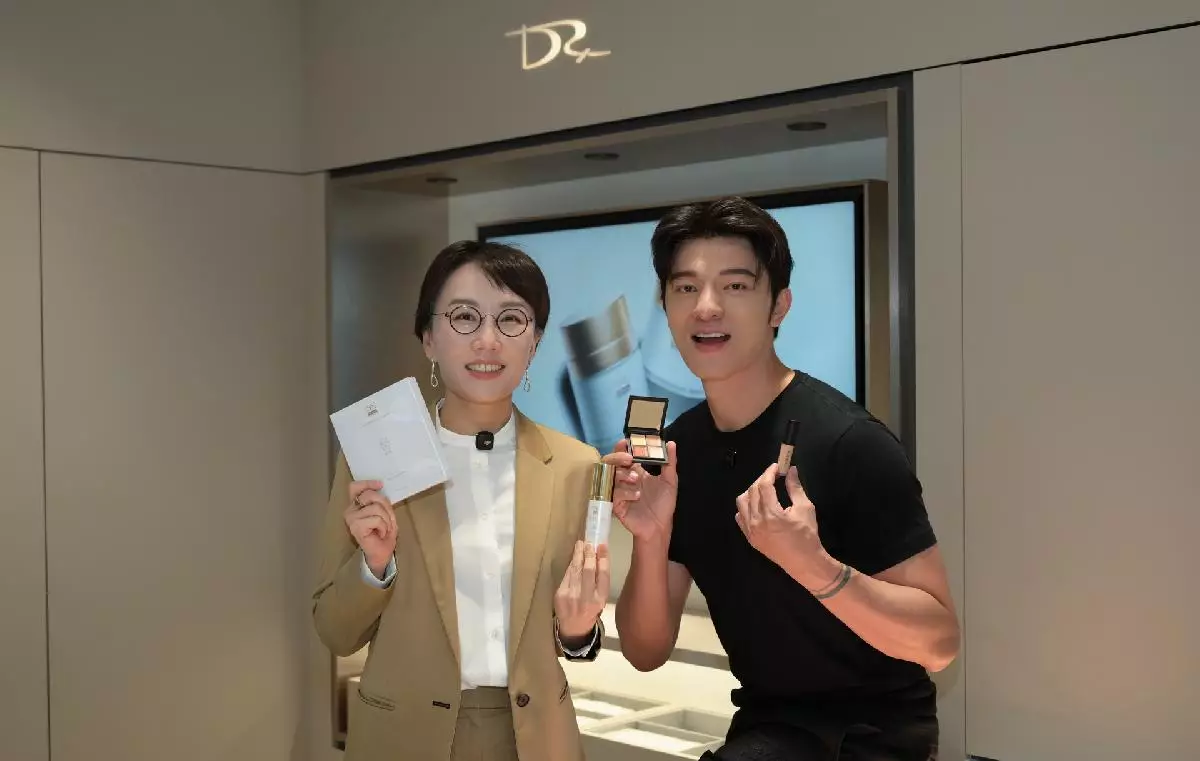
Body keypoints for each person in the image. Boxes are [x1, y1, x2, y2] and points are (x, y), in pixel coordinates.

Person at [609, 197, 960, 760]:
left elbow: (938, 644)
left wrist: (812, 565)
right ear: (666, 306)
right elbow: (645, 652)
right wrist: (651, 539)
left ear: (779, 305)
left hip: (874, 736)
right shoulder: (679, 452)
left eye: (735, 286)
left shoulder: (851, 443)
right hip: (766, 727)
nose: (707, 307)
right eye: (686, 288)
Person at [312, 240, 613, 761]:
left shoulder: (577, 465)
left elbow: (575, 639)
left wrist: (579, 631)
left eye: (511, 319)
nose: (488, 340)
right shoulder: (375, 461)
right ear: (428, 338)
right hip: (403, 738)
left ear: (535, 343)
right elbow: (335, 632)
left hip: (537, 738)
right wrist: (375, 567)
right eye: (464, 317)